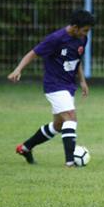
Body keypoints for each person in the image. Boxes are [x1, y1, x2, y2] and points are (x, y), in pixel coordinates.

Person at [9, 9, 95, 167]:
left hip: (68, 86)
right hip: (54, 85)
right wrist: (18, 69)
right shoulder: (56, 39)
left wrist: (82, 81)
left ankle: (25, 148)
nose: (86, 34)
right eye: (85, 30)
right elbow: (33, 53)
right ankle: (70, 163)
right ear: (75, 27)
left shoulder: (82, 38)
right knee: (70, 117)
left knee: (58, 125)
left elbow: (77, 60)